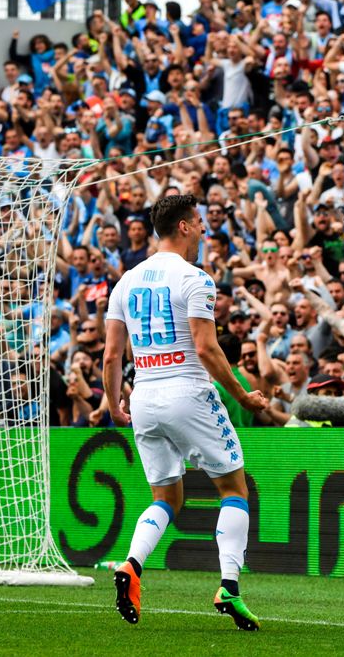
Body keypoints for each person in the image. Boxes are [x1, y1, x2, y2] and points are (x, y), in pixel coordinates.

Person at [103, 195, 268, 630]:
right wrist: (244, 393)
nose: (203, 229)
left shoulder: (126, 281)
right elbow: (205, 347)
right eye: (199, 222)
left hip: (144, 396)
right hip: (186, 390)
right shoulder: (195, 279)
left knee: (167, 498)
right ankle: (229, 585)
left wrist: (115, 401)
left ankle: (132, 566)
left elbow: (111, 355)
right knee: (234, 488)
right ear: (184, 227)